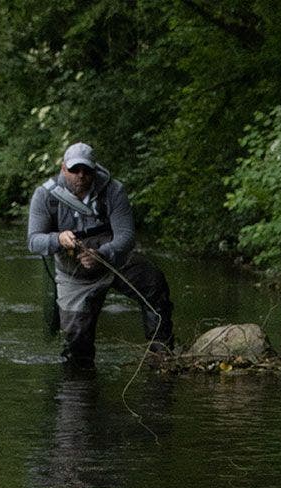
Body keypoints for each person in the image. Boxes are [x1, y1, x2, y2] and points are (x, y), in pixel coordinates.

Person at [27, 142, 174, 368]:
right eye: (75, 170)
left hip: (113, 261)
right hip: (74, 274)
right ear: (63, 168)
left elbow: (126, 236)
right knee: (76, 346)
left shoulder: (113, 190)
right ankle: (80, 384)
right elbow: (33, 241)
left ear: (95, 170)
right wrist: (58, 239)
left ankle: (161, 353)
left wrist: (103, 254)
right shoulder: (45, 196)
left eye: (87, 171)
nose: (81, 176)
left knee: (154, 282)